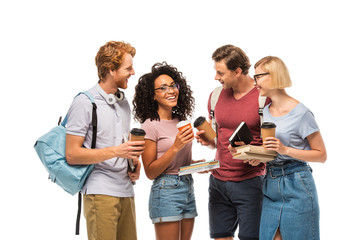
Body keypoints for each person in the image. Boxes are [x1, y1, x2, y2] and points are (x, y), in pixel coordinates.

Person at [65, 41, 145, 240]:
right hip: (100, 193)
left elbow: (122, 147)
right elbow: (72, 154)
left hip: (126, 191)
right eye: (128, 68)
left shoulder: (123, 103)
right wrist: (118, 151)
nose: (133, 72)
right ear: (111, 70)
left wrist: (133, 162)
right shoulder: (84, 103)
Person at [195, 45, 271, 240]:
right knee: (220, 236)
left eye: (220, 72)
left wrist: (257, 155)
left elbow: (274, 146)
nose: (216, 77)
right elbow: (218, 140)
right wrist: (209, 140)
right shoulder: (216, 96)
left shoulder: (264, 98)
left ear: (238, 71)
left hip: (250, 183)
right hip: (218, 182)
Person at [252, 56, 326, 240]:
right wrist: (257, 156)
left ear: (274, 75)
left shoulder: (302, 113)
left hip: (297, 184)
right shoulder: (266, 110)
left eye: (258, 77)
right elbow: (271, 150)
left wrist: (285, 150)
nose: (255, 83)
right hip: (271, 184)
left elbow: (321, 155)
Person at [133, 62, 199, 240]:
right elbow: (151, 171)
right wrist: (175, 146)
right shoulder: (150, 126)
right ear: (152, 96)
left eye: (172, 85)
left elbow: (177, 163)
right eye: (163, 88)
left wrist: (197, 165)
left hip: (187, 187)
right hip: (166, 191)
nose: (171, 91)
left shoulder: (181, 120)